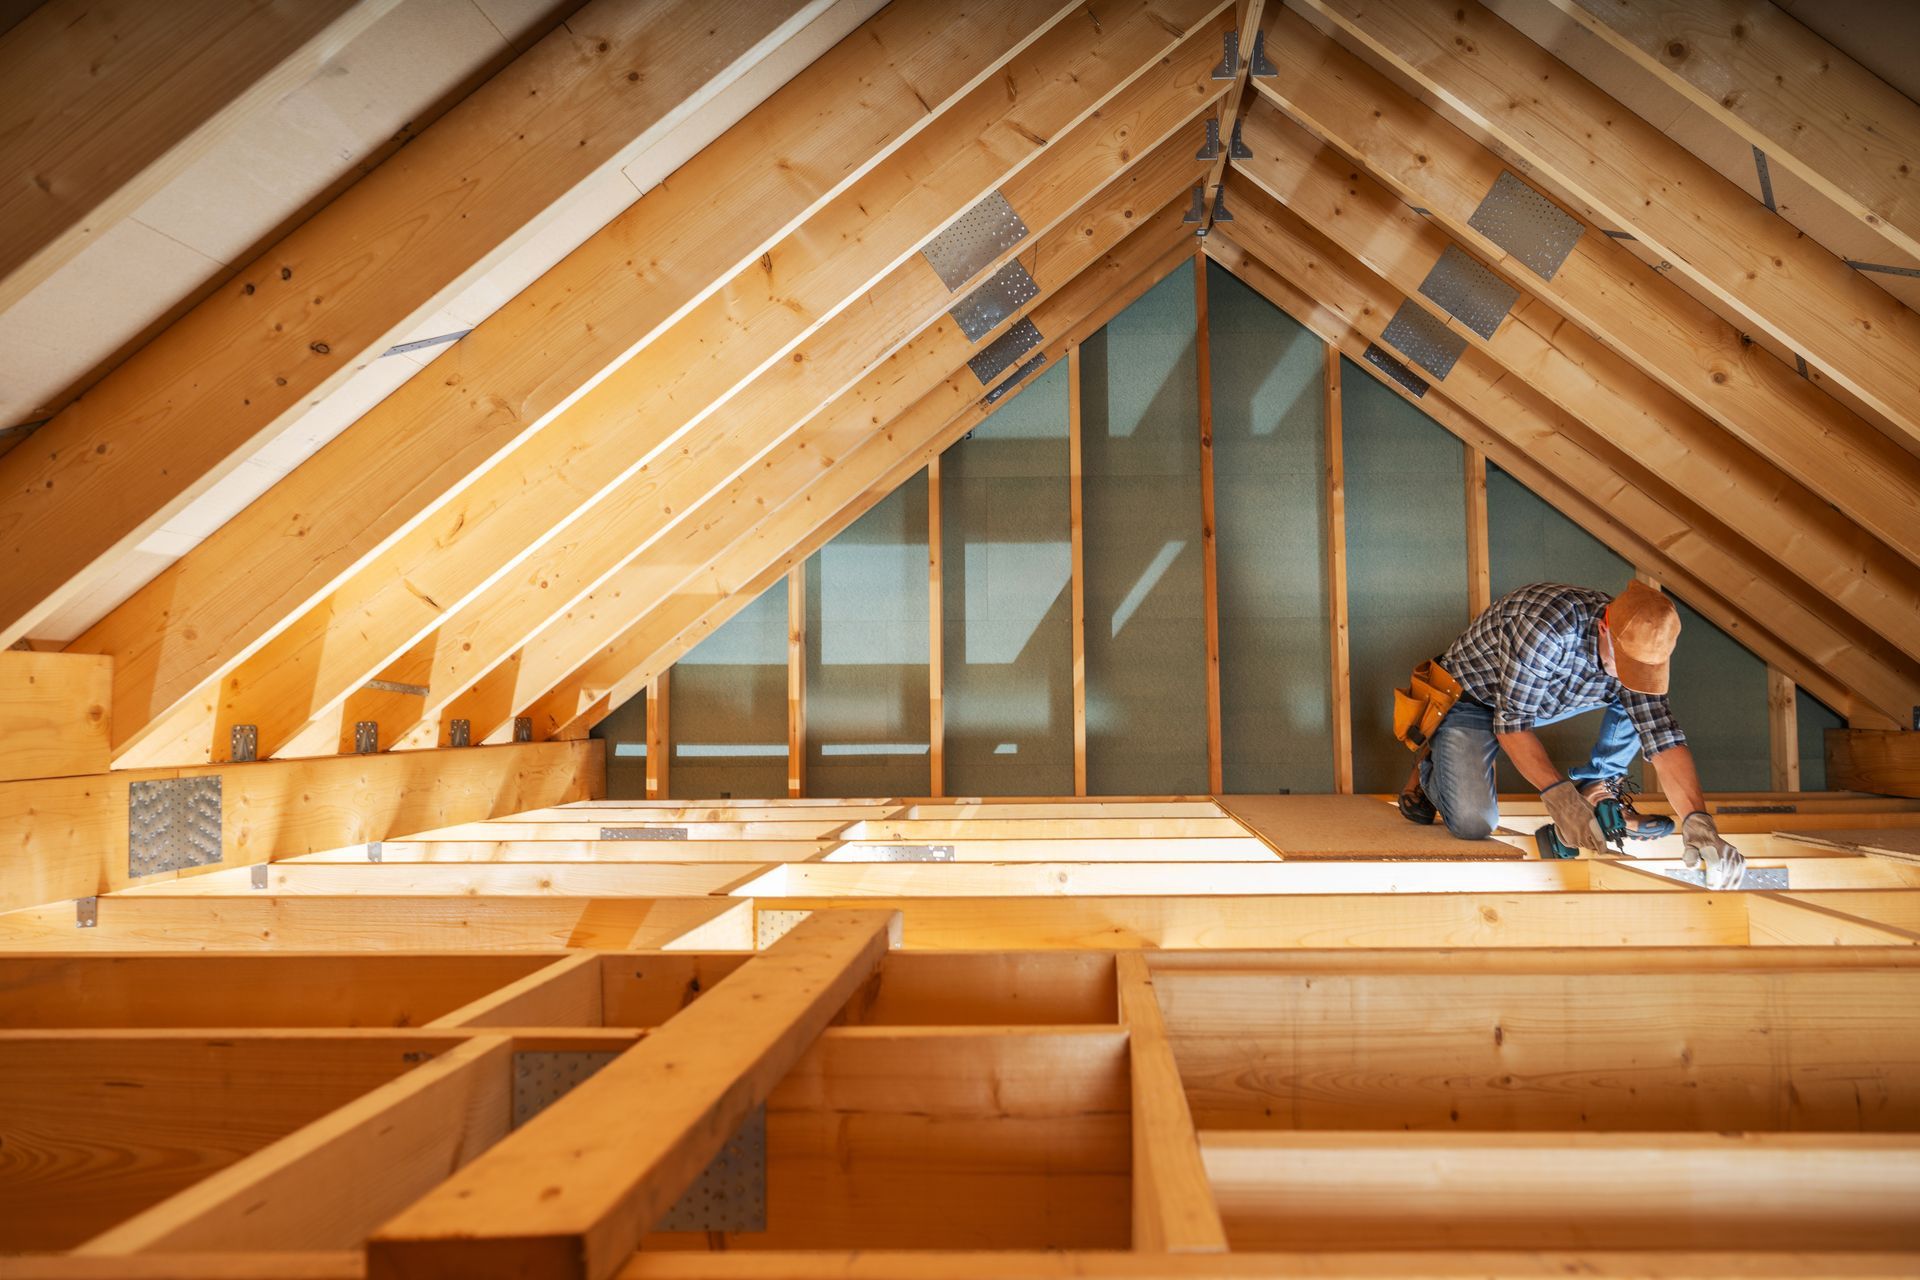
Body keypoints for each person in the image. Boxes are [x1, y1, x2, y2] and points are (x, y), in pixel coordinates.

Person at [1398, 580, 1746, 888]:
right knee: (1474, 824)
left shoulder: (1639, 639)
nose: (1631, 674)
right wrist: (1563, 803)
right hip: (1474, 700)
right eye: (1625, 665)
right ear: (1604, 628)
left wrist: (1698, 821)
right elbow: (1512, 725)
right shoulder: (1545, 629)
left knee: (1640, 701)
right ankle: (1434, 760)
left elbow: (1662, 736)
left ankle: (1598, 787)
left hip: (1538, 698)